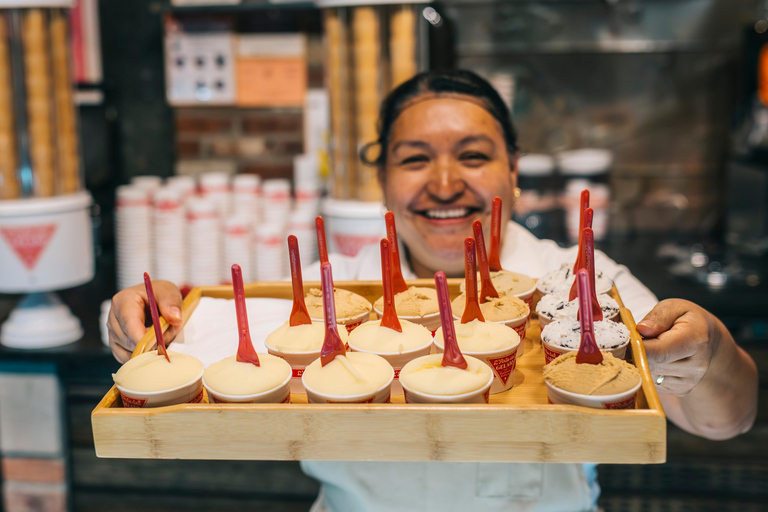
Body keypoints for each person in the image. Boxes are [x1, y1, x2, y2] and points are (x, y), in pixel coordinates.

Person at [108, 70, 758, 512]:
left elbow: (723, 419)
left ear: (515, 172)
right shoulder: (324, 300)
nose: (444, 184)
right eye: (415, 158)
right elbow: (194, 336)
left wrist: (709, 350)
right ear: (383, 179)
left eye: (473, 157)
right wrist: (146, 313)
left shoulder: (582, 285)